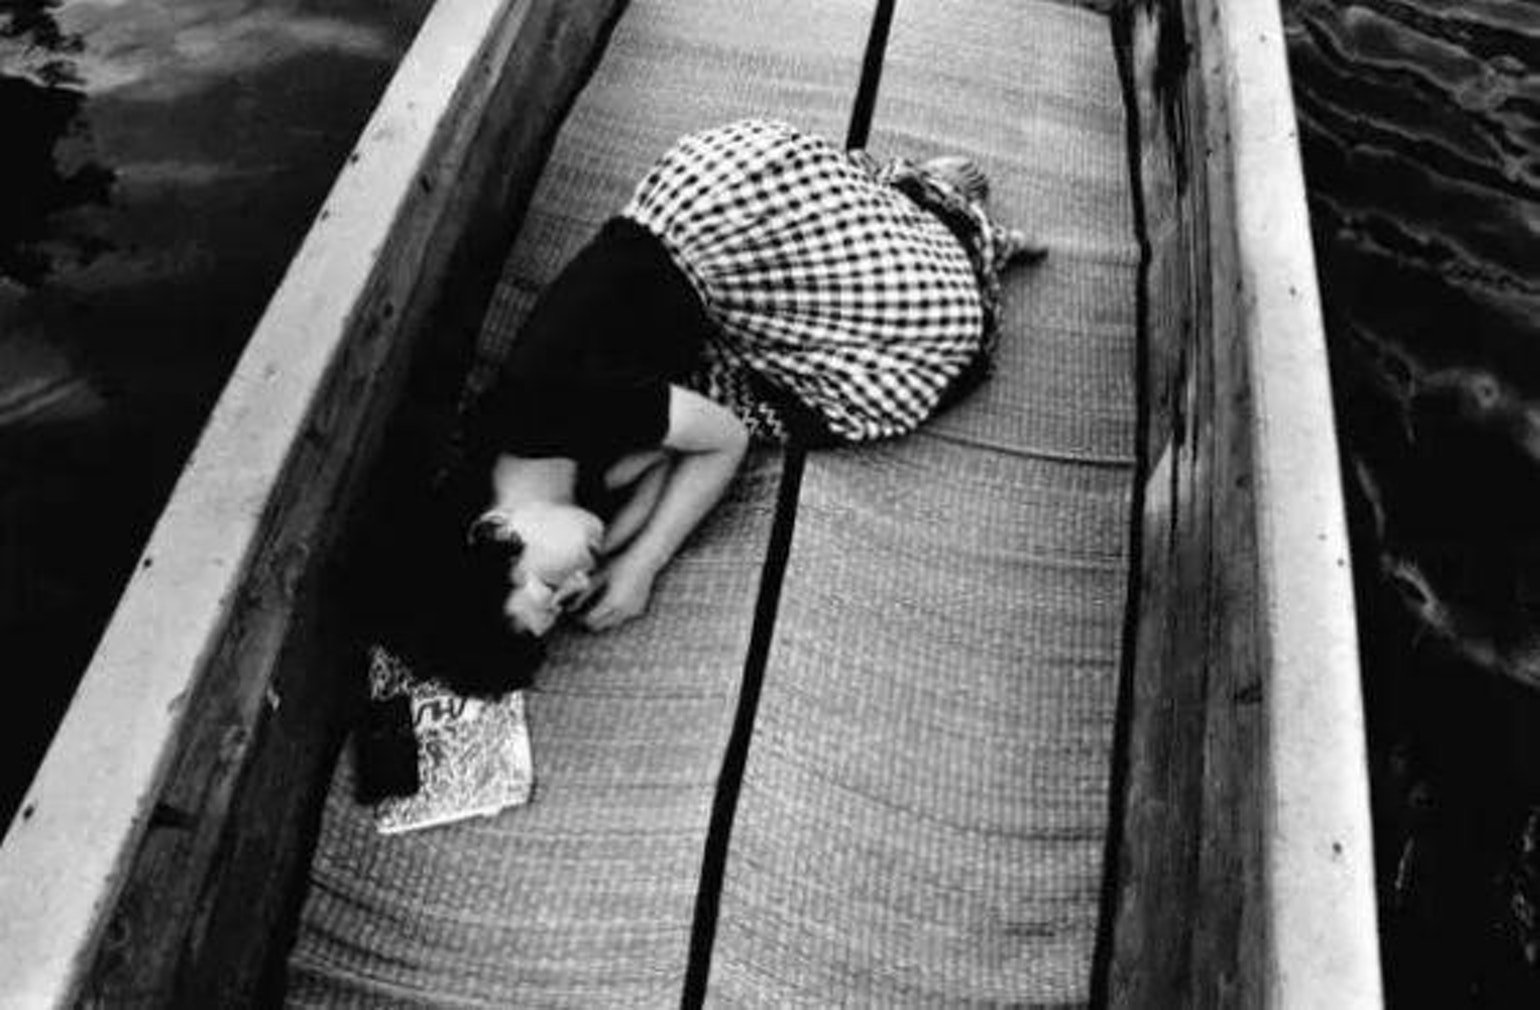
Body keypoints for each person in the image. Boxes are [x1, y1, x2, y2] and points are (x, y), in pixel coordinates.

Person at [398, 119, 1044, 694]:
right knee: (865, 377)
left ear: (494, 531)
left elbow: (722, 440)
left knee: (935, 333)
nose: (575, 589)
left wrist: (644, 562)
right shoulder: (547, 498)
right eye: (564, 606)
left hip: (730, 211)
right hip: (714, 305)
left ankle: (932, 201)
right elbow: (659, 462)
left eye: (547, 589)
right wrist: (613, 546)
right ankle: (919, 221)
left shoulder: (553, 401)